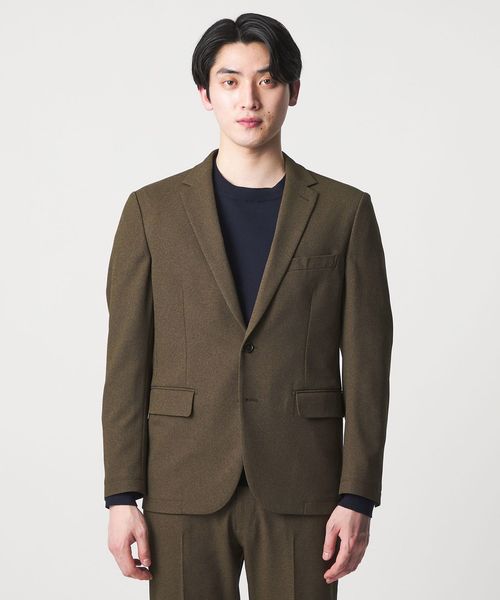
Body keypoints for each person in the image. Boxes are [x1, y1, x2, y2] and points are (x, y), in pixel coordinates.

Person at [101, 12, 393, 599]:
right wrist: (121, 494)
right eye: (230, 81)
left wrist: (358, 493)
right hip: (181, 479)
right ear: (205, 94)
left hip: (303, 481)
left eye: (268, 79)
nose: (249, 99)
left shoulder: (345, 212)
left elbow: (369, 364)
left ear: (293, 90)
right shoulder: (151, 212)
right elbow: (126, 361)